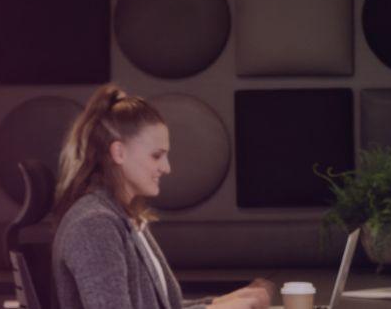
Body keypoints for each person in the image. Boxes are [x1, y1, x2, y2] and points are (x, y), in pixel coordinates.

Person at [52, 86, 272, 309]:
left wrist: (231, 302)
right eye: (156, 156)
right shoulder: (94, 224)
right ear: (119, 153)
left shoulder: (125, 217)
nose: (166, 168)